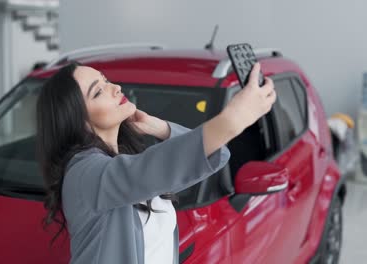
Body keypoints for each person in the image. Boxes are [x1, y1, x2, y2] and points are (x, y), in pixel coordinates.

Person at [35, 61, 276, 264]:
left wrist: (161, 128)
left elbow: (218, 154)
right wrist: (235, 117)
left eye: (107, 80)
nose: (116, 88)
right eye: (98, 91)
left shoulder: (123, 158)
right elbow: (164, 164)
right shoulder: (85, 174)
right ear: (79, 122)